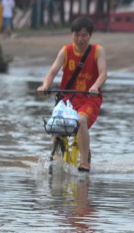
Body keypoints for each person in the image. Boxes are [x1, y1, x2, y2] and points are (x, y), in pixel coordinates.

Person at [37, 17, 108, 173]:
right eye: (76, 35)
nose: (80, 39)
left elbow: (103, 73)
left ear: (90, 35)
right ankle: (55, 157)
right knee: (55, 124)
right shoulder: (65, 51)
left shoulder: (97, 51)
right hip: (68, 99)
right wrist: (45, 85)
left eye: (84, 35)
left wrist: (95, 86)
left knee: (81, 120)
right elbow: (52, 72)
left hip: (89, 99)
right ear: (72, 34)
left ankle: (84, 163)